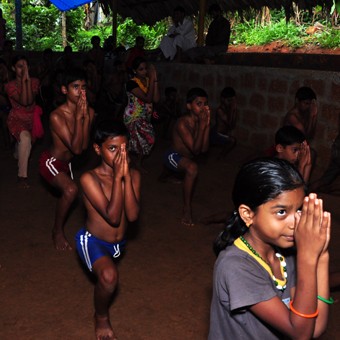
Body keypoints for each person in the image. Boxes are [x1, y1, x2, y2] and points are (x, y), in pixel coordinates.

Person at [209, 157, 331, 340]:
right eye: (281, 212)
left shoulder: (285, 254)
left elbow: (315, 327)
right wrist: (308, 257)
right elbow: (300, 333)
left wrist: (322, 256)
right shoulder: (235, 266)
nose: (295, 223)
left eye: (298, 210)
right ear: (248, 214)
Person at [75, 119, 141, 340]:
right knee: (109, 277)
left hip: (118, 245)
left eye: (124, 148)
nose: (120, 154)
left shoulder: (134, 175)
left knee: (109, 274)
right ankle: (101, 317)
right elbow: (113, 217)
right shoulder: (89, 178)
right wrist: (118, 178)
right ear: (97, 149)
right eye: (112, 149)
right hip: (92, 241)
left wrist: (125, 178)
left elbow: (131, 215)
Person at [39, 68, 95, 250]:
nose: (81, 92)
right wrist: (80, 117)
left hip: (67, 164)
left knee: (71, 192)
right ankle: (57, 231)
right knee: (71, 190)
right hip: (51, 162)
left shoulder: (90, 112)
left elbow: (84, 146)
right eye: (75, 87)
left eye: (84, 87)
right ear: (64, 90)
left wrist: (85, 118)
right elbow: (76, 148)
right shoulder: (57, 116)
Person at [163, 87, 210, 226]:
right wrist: (203, 126)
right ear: (189, 106)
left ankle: (165, 175)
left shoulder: (201, 121)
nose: (202, 108)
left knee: (184, 167)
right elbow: (196, 151)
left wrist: (206, 126)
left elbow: (204, 149)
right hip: (172, 155)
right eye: (198, 104)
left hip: (186, 157)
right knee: (192, 168)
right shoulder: (183, 123)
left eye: (205, 104)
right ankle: (187, 209)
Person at [5, 55, 41, 187]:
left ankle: (17, 149)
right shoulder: (9, 86)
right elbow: (25, 102)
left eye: (26, 66)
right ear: (13, 68)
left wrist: (27, 81)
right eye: (20, 67)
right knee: (25, 139)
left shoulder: (35, 82)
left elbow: (30, 101)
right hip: (17, 118)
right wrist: (26, 81)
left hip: (33, 118)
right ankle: (22, 177)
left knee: (28, 142)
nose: (24, 69)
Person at [123, 57, 159, 171]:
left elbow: (156, 99)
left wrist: (155, 79)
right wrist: (153, 78)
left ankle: (136, 162)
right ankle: (129, 162)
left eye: (145, 69)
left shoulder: (148, 81)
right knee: (145, 139)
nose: (144, 71)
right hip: (133, 117)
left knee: (142, 141)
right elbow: (148, 99)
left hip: (145, 116)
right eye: (141, 69)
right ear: (134, 71)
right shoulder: (131, 83)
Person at [210, 86, 237, 157]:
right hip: (217, 134)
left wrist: (233, 110)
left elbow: (232, 125)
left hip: (221, 133)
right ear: (222, 99)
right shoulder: (220, 110)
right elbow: (229, 123)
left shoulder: (228, 108)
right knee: (232, 141)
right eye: (229, 100)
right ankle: (220, 157)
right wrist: (232, 109)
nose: (230, 103)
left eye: (232, 100)